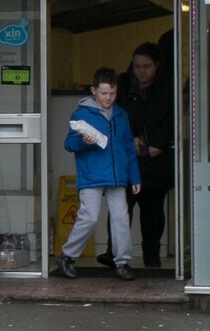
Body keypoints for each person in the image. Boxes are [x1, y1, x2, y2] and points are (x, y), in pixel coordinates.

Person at [56, 67, 141, 280]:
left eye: (112, 93)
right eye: (104, 93)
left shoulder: (121, 114)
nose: (108, 98)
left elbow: (129, 148)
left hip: (116, 174)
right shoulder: (82, 114)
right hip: (92, 173)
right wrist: (83, 141)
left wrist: (135, 176)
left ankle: (122, 262)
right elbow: (69, 144)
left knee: (121, 217)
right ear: (94, 90)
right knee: (90, 217)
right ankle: (67, 255)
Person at [116, 40, 176, 269]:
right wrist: (130, 136)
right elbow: (116, 115)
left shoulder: (166, 86)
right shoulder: (123, 85)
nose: (141, 71)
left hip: (155, 158)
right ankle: (116, 256)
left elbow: (173, 117)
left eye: (146, 66)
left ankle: (152, 258)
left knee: (152, 212)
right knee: (121, 208)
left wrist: (156, 142)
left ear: (157, 65)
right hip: (128, 157)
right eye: (137, 66)